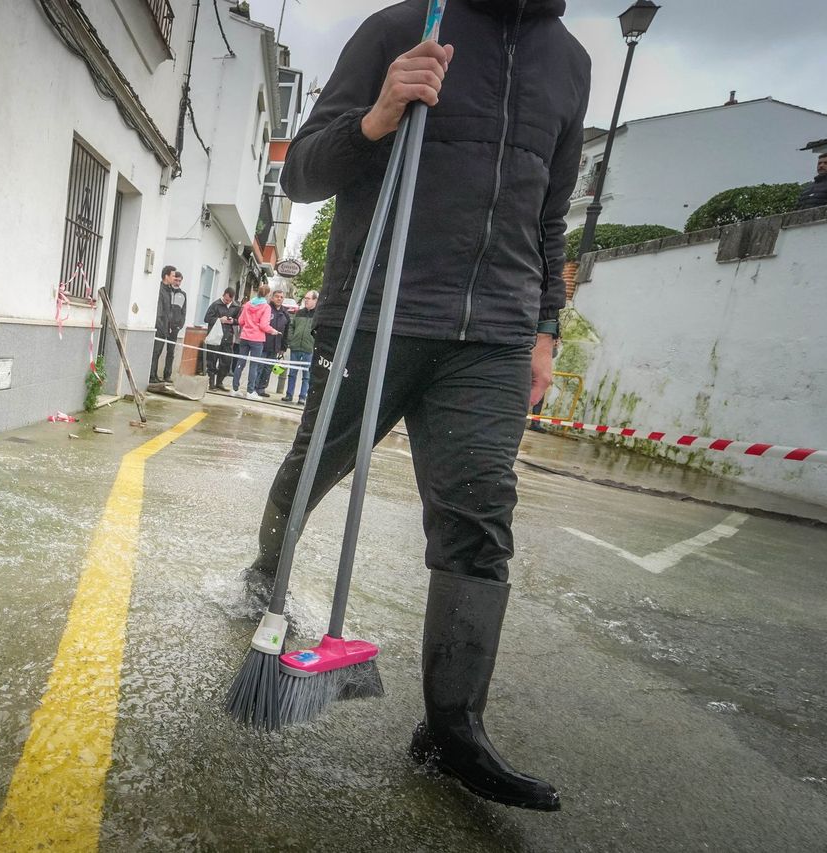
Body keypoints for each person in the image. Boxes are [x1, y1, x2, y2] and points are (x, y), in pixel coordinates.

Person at [251, 0, 591, 812]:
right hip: (379, 307)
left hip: (496, 331)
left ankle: (452, 725)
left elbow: (552, 215)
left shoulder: (571, 64)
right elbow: (301, 173)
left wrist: (545, 327)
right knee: (315, 468)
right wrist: (376, 116)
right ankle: (266, 577)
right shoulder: (400, 27)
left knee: (481, 511)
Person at [234, 286, 279, 399]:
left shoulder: (248, 304)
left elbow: (240, 321)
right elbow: (264, 325)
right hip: (257, 339)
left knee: (240, 363)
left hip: (244, 337)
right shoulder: (266, 307)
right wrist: (273, 331)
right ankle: (250, 391)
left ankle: (234, 389)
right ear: (268, 295)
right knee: (254, 365)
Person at [151, 267, 188, 383]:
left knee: (167, 352)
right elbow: (160, 311)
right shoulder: (162, 290)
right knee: (156, 352)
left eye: (178, 279)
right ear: (166, 276)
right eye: (173, 276)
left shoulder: (177, 293)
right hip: (161, 327)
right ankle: (152, 376)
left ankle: (159, 375)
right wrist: (162, 326)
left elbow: (182, 312)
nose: (175, 280)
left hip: (171, 328)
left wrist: (178, 326)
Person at [282, 290, 318, 404]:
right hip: (296, 346)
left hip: (309, 349)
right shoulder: (299, 313)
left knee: (306, 375)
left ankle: (303, 396)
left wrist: (314, 342)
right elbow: (291, 327)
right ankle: (289, 394)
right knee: (292, 373)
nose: (306, 300)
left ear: (315, 300)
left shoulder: (318, 315)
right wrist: (291, 339)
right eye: (305, 298)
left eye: (308, 298)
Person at [203, 288, 241, 391]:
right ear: (224, 295)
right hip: (215, 337)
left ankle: (219, 382)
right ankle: (211, 384)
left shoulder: (236, 307)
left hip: (227, 338)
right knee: (212, 361)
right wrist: (219, 320)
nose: (228, 302)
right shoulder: (216, 305)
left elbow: (240, 320)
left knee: (226, 362)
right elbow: (207, 318)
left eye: (230, 300)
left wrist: (233, 321)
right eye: (226, 299)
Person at [263, 289, 292, 397]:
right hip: (264, 343)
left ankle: (262, 388)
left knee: (268, 368)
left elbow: (286, 331)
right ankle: (254, 387)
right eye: (277, 296)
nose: (279, 298)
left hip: (276, 345)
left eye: (281, 297)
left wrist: (283, 347)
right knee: (260, 366)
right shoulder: (267, 309)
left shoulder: (285, 313)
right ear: (272, 297)